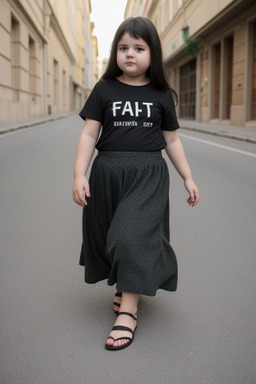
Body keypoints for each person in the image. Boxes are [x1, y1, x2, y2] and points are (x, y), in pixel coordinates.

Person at [72, 16, 199, 351]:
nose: (130, 54)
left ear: (152, 54)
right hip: (108, 173)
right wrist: (79, 174)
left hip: (148, 175)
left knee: (131, 234)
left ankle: (128, 310)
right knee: (110, 235)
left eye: (138, 48)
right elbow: (89, 133)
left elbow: (171, 141)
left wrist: (187, 177)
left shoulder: (161, 94)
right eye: (123, 47)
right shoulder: (104, 90)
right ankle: (127, 281)